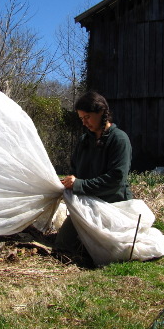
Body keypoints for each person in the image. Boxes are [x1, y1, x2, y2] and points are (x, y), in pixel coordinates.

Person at [56, 90, 133, 254]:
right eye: (81, 119)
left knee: (105, 252)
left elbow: (116, 180)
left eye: (87, 117)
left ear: (101, 112)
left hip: (113, 205)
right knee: (63, 245)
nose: (84, 123)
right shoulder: (84, 141)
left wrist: (79, 184)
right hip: (87, 205)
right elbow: (75, 170)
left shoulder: (119, 139)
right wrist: (70, 181)